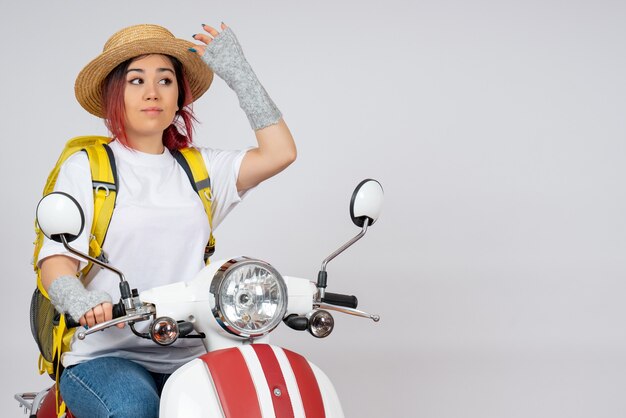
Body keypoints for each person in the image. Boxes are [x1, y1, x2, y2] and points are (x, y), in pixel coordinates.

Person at [37, 22, 296, 417]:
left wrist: (240, 75)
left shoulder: (201, 169)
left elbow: (280, 153)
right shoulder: (87, 167)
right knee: (134, 408)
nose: (152, 92)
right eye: (136, 80)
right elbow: (56, 259)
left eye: (166, 80)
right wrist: (81, 300)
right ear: (114, 95)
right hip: (108, 354)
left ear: (179, 97)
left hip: (191, 348)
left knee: (253, 400)